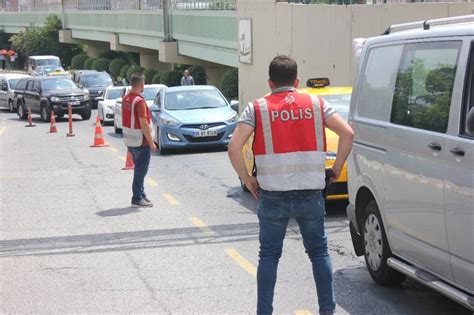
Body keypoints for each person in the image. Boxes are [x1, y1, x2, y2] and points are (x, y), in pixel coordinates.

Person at [228, 55, 354, 315]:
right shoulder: (316, 104)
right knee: (319, 254)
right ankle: (326, 311)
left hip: (273, 195)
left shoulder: (257, 107)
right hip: (311, 193)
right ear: (296, 81)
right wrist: (337, 167)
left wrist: (247, 179)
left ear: (270, 83)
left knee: (269, 257)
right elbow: (347, 133)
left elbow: (233, 147)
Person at [121, 73, 157, 208]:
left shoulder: (126, 99)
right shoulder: (140, 102)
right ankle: (137, 197)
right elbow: (143, 123)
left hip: (130, 140)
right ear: (142, 85)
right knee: (141, 171)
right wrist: (151, 142)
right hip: (141, 141)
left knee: (139, 169)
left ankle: (141, 194)